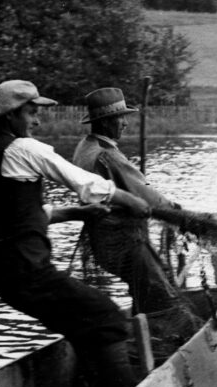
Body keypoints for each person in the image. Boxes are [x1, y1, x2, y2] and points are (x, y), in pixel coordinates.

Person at [0, 80, 150, 387]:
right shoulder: (23, 149)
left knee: (80, 324)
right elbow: (85, 182)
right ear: (11, 115)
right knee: (106, 316)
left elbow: (18, 216)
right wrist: (130, 199)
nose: (37, 121)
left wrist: (76, 213)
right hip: (27, 269)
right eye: (31, 113)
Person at [72, 87, 199, 339]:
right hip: (126, 243)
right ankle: (169, 342)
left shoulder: (85, 147)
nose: (126, 123)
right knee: (162, 297)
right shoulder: (108, 156)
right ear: (106, 122)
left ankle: (148, 337)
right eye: (120, 118)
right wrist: (180, 213)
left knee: (148, 289)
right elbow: (148, 197)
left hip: (102, 244)